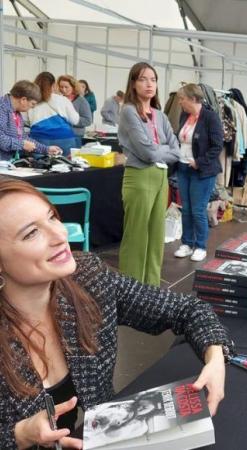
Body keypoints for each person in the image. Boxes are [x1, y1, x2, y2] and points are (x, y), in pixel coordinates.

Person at [0, 178, 231, 449]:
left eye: (52, 217)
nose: (60, 235)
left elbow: (187, 309)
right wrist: (20, 434)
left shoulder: (88, 279)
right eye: (31, 233)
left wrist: (215, 357)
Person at [118, 62, 179, 286]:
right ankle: (131, 289)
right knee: (136, 236)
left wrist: (158, 151)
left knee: (156, 236)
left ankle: (152, 289)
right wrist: (161, 151)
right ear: (133, 84)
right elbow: (147, 152)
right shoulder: (128, 111)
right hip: (139, 176)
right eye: (143, 79)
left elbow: (176, 150)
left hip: (160, 178)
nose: (149, 84)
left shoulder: (160, 115)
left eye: (153, 79)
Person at [173, 83, 224, 263]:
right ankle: (186, 243)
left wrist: (199, 162)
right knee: (185, 208)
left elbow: (217, 146)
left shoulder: (211, 118)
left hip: (202, 171)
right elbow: (179, 138)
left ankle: (200, 246)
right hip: (183, 168)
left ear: (193, 99)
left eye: (182, 99)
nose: (180, 102)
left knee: (198, 210)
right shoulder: (184, 115)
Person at [0, 80, 61, 161]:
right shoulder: (2, 108)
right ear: (23, 99)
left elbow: (23, 137)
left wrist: (46, 149)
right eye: (32, 104)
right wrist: (21, 145)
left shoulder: (16, 113)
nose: (32, 108)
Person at [27, 72, 80, 156]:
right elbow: (75, 120)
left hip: (39, 140)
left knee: (40, 166)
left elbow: (25, 121)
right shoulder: (62, 100)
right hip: (64, 139)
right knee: (67, 166)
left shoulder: (31, 100)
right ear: (53, 85)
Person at [58, 75, 93, 148]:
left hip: (75, 136)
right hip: (61, 136)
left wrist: (71, 120)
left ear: (73, 87)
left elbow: (88, 120)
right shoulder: (59, 100)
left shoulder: (82, 101)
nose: (63, 89)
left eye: (66, 87)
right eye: (61, 87)